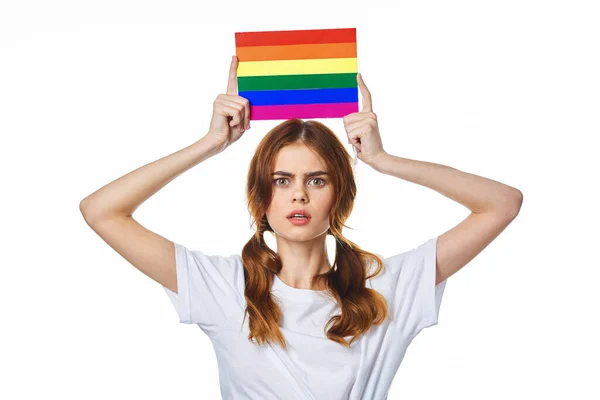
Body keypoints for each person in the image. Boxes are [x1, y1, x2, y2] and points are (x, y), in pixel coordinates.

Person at [80, 55, 523, 399]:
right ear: (262, 198)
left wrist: (383, 161)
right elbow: (101, 211)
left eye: (317, 179)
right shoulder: (223, 287)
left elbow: (501, 205)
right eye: (281, 180)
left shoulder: (387, 288)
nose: (299, 195)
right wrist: (210, 144)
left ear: (340, 195)